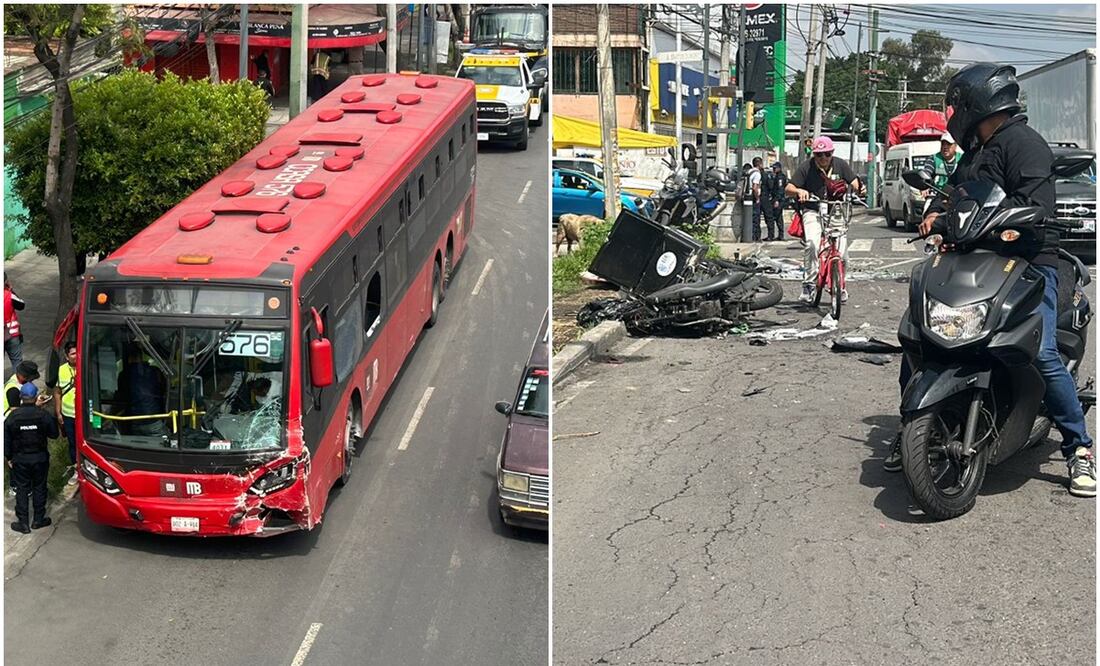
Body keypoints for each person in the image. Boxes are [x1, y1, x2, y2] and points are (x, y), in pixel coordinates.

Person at [883, 62, 1095, 498]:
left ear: (974, 102)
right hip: (974, 257)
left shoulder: (1024, 144)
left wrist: (1013, 220)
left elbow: (1035, 204)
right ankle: (912, 424)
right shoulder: (976, 152)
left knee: (1043, 353)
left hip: (1029, 259)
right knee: (918, 336)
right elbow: (954, 195)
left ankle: (1079, 447)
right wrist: (934, 215)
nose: (951, 113)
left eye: (954, 104)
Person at [784, 136, 865, 304]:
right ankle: (808, 284)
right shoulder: (806, 167)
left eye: (827, 154)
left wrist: (860, 189)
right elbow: (788, 188)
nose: (823, 158)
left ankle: (840, 285)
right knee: (812, 244)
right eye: (819, 154)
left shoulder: (840, 165)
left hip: (836, 210)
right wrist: (799, 191)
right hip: (813, 210)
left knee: (843, 255)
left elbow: (855, 182)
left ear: (832, 153)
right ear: (814, 154)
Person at [5, 382, 58, 533]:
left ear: (21, 397)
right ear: (35, 397)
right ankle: (38, 520)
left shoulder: (13, 417)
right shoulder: (43, 415)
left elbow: (6, 440)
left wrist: (9, 457)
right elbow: (54, 434)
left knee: (22, 489)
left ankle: (23, 523)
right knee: (39, 487)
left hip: (20, 459)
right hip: (40, 458)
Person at [54, 341, 78, 484]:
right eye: (73, 353)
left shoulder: (86, 366)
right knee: (73, 443)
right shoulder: (61, 370)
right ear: (67, 356)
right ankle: (77, 469)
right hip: (68, 415)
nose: (76, 356)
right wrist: (58, 413)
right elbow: (58, 392)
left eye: (77, 352)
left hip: (87, 414)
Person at [762, 161, 788, 242]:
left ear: (779, 168)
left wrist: (777, 200)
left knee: (773, 217)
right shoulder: (777, 176)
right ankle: (780, 235)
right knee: (778, 217)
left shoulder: (780, 177)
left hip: (779, 199)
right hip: (777, 199)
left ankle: (773, 235)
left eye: (775, 168)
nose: (773, 169)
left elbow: (780, 189)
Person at [4, 278, 25, 371]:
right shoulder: (9, 295)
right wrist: (10, 290)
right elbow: (21, 305)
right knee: (17, 361)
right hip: (12, 334)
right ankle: (18, 379)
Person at [749, 157, 764, 241]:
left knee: (750, 217)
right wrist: (757, 198)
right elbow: (755, 187)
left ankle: (750, 236)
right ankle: (755, 237)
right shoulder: (757, 173)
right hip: (753, 198)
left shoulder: (749, 171)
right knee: (756, 218)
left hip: (747, 197)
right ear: (759, 164)